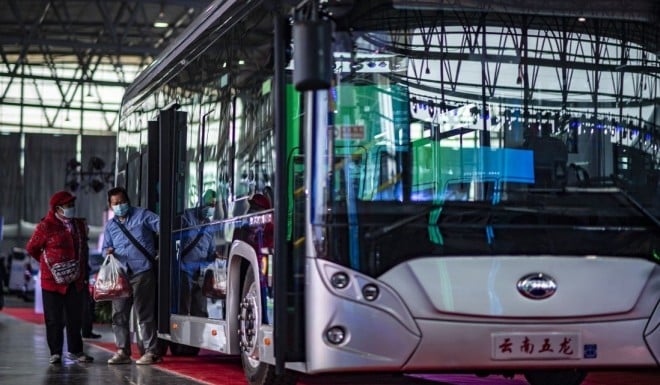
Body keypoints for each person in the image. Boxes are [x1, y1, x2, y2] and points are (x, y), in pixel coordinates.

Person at [25, 190, 94, 364]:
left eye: (72, 205)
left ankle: (76, 351)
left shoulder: (78, 225)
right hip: (52, 281)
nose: (72, 208)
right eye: (68, 206)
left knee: (74, 317)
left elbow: (83, 248)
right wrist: (49, 264)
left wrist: (82, 272)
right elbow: (32, 248)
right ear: (58, 208)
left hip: (75, 279)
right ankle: (55, 352)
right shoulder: (45, 226)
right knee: (54, 318)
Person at [102, 186, 161, 365]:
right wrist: (108, 251)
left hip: (142, 272)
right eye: (115, 203)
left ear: (127, 201)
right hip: (121, 276)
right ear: (110, 205)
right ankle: (123, 351)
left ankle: (151, 352)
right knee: (119, 315)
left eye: (121, 202)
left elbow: (163, 226)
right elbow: (105, 248)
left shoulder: (143, 215)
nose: (119, 206)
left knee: (144, 313)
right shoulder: (110, 226)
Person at [179, 189, 218, 317]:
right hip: (184, 270)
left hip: (200, 272)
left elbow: (211, 251)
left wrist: (214, 257)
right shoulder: (186, 218)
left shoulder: (209, 226)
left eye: (213, 205)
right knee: (183, 307)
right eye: (208, 204)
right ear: (200, 202)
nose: (210, 208)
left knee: (200, 310)